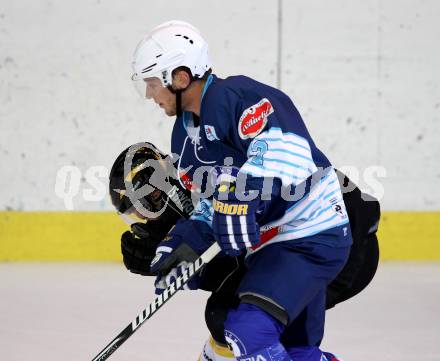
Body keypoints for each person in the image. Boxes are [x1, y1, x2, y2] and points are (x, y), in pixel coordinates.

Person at [126, 20, 379, 360]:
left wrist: (240, 194)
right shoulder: (183, 139)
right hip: (271, 248)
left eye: (154, 83)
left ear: (180, 77)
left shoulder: (241, 99)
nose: (149, 94)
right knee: (296, 349)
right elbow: (209, 205)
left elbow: (287, 154)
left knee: (248, 330)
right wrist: (184, 242)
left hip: (311, 234)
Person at [109, 142, 380, 361]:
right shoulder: (195, 193)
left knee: (235, 318)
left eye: (144, 209)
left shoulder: (213, 175)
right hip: (306, 249)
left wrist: (190, 261)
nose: (145, 221)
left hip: (343, 249)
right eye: (134, 215)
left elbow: (353, 203)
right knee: (226, 318)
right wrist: (173, 262)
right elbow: (238, 264)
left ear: (160, 191)